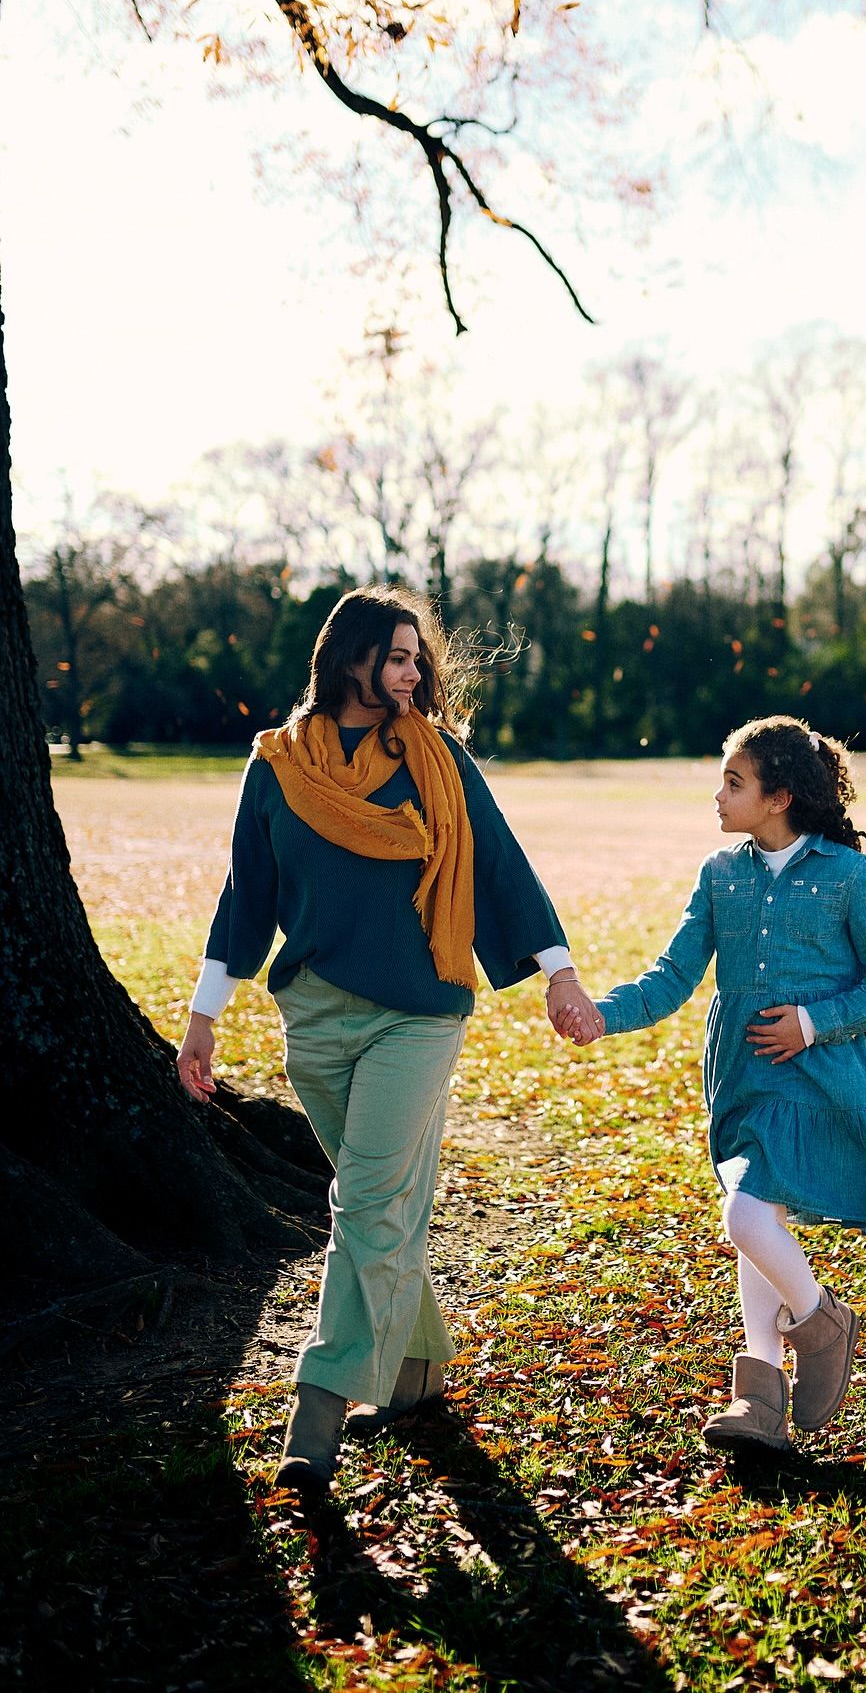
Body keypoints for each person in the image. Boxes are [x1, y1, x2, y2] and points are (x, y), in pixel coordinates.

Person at [175, 587, 604, 1489]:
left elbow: (499, 859)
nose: (417, 673)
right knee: (387, 1201)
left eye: (419, 657)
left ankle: (316, 1409)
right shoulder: (281, 765)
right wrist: (203, 1015)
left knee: (367, 1202)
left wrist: (559, 970)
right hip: (316, 1018)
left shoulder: (436, 759)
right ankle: (416, 1367)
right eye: (401, 656)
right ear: (352, 659)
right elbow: (245, 896)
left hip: (420, 1010)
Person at [556, 716, 866, 1453]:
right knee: (758, 1221)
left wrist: (812, 1022)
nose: (718, 795)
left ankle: (821, 1322)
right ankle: (758, 1398)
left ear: (778, 795)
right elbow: (674, 974)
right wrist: (603, 1014)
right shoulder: (721, 875)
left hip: (822, 1079)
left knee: (746, 1219)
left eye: (733, 781)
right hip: (745, 1078)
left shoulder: (848, 876)